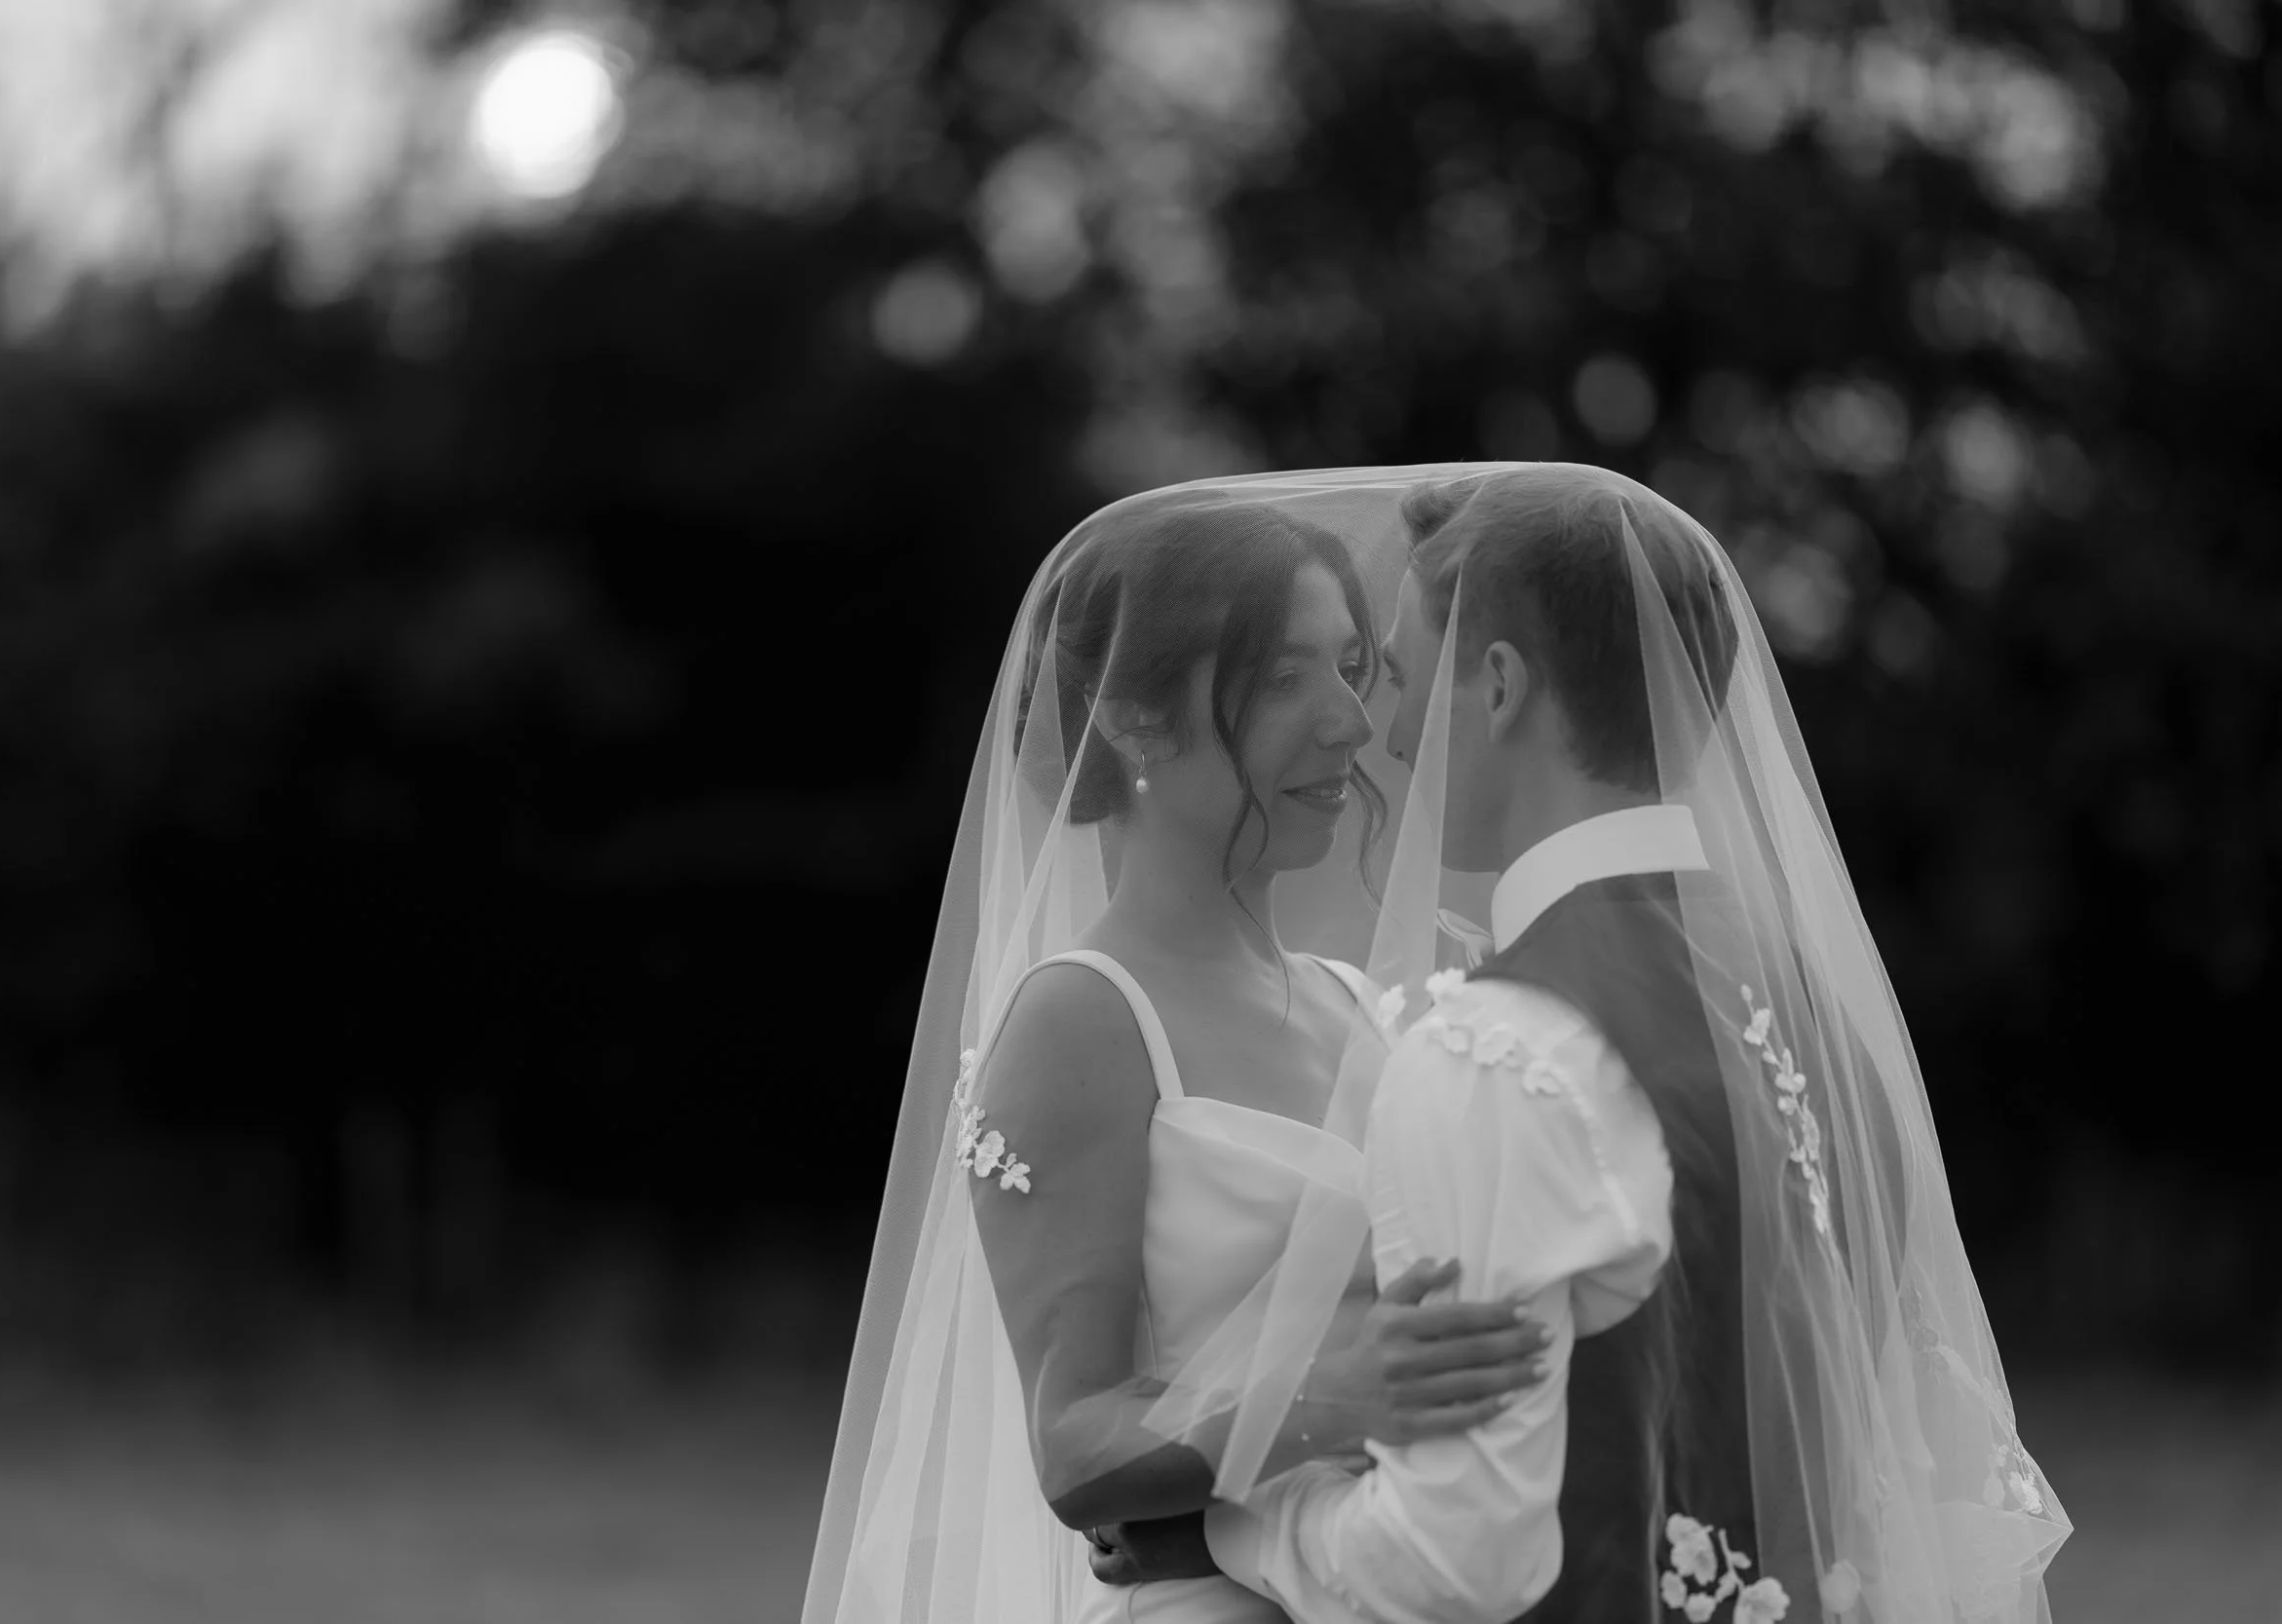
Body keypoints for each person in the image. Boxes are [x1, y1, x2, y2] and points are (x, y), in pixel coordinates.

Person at [1090, 466, 2071, 1624]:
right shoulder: (1810, 1011)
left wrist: (1227, 1520)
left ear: (1500, 685)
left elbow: (1457, 1564)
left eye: (1400, 676)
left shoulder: (1495, 1050)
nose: (1383, 735)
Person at [803, 487, 1549, 1624]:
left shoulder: (1361, 1005)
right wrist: (1327, 1396)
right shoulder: (1084, 1018)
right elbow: (1072, 1443)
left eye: (1352, 668)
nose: (1350, 722)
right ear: (1134, 718)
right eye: (1284, 677)